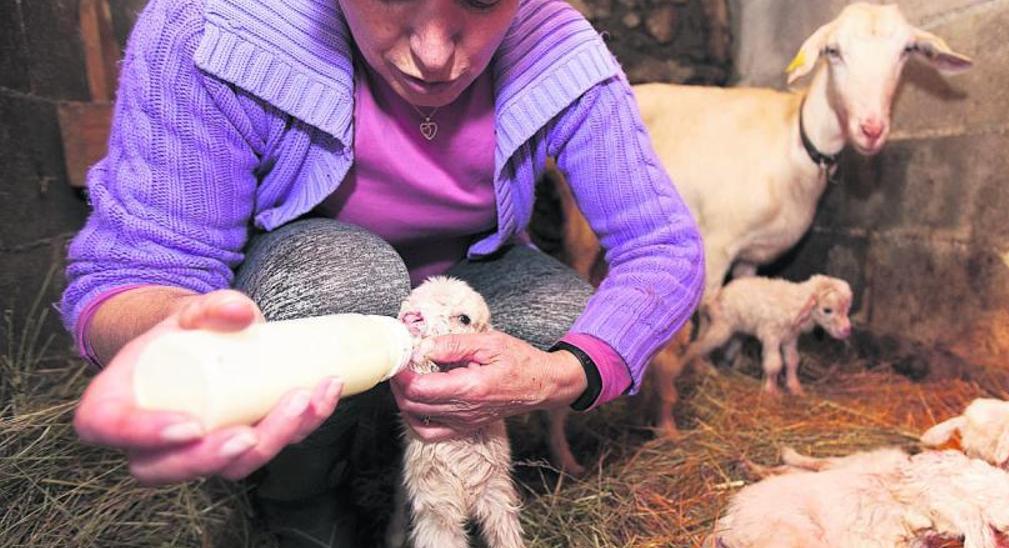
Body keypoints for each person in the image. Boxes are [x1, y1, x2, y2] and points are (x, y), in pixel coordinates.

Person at [59, 0, 704, 545]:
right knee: (339, 278)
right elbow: (136, 269)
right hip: (321, 276)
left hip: (462, 275)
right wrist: (179, 338)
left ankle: (415, 474)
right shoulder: (212, 30)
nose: (433, 52)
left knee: (566, 320)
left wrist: (560, 371)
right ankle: (301, 503)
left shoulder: (557, 48)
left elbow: (661, 245)